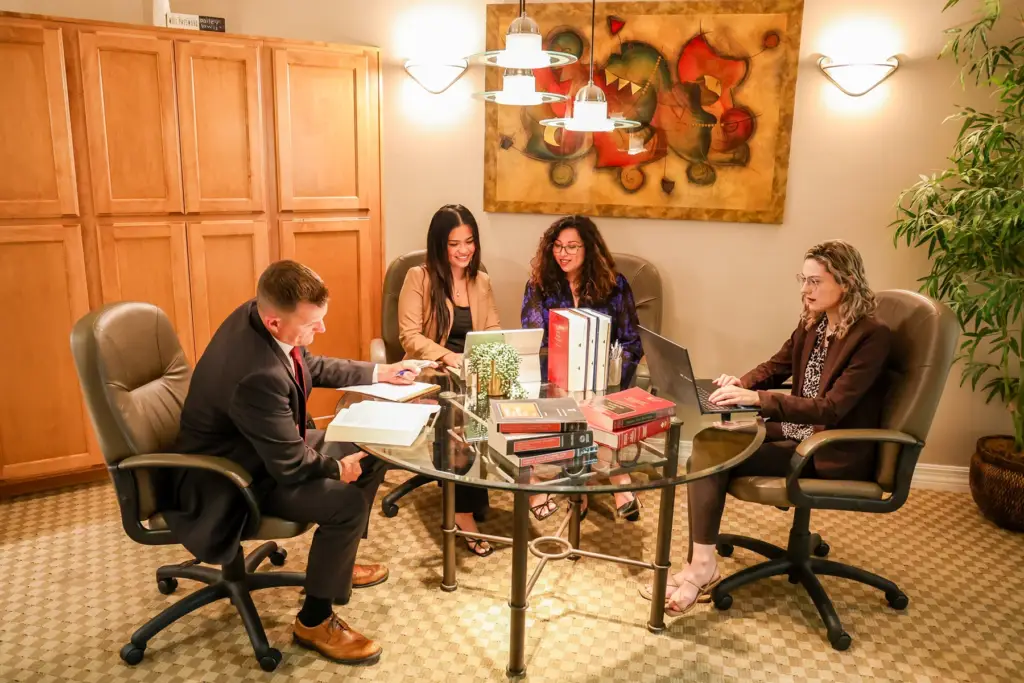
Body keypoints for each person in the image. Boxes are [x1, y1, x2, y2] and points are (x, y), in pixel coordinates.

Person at [165, 260, 430, 665]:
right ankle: (313, 621)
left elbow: (309, 364)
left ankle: (338, 564)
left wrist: (382, 372)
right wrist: (337, 469)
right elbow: (290, 465)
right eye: (312, 324)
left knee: (372, 451)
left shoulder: (258, 313)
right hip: (232, 481)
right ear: (274, 323)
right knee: (345, 504)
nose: (319, 331)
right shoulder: (256, 374)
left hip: (262, 448)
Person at [651, 240, 892, 616]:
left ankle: (700, 567)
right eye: (803, 279)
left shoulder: (871, 337)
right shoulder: (814, 322)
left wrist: (758, 400)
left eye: (814, 281)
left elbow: (832, 408)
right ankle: (701, 563)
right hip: (795, 430)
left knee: (710, 457)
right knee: (709, 443)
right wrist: (739, 386)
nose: (804, 289)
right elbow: (776, 366)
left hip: (826, 446)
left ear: (844, 283)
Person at [521, 215, 644, 521]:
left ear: (589, 249)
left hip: (602, 382)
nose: (563, 253)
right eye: (558, 246)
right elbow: (535, 339)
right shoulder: (539, 285)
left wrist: (610, 382)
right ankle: (616, 481)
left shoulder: (615, 286)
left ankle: (578, 488)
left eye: (572, 247)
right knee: (575, 405)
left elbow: (631, 343)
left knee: (591, 405)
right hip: (554, 381)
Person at [397, 204, 502, 555]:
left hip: (474, 371)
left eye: (469, 241)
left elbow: (492, 329)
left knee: (511, 401)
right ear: (439, 245)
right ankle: (461, 512)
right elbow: (409, 336)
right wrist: (448, 356)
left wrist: (495, 355)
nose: (463, 250)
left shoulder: (481, 280)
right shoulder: (419, 277)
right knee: (461, 414)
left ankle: (518, 489)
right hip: (434, 372)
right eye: (454, 243)